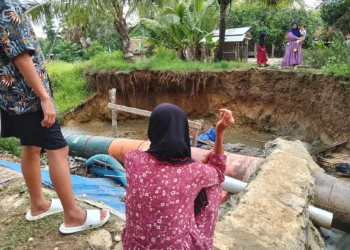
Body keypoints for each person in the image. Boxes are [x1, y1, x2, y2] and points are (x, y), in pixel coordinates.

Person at [0, 0, 109, 233]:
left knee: (30, 146)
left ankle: (38, 204)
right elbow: (21, 56)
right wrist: (44, 97)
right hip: (26, 96)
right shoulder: (6, 6)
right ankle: (74, 216)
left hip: (8, 95)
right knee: (58, 149)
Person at [122, 103, 234, 249]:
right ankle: (203, 240)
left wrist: (198, 165)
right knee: (212, 187)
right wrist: (219, 132)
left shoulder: (132, 159)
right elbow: (218, 172)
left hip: (134, 245)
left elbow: (160, 173)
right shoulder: (194, 172)